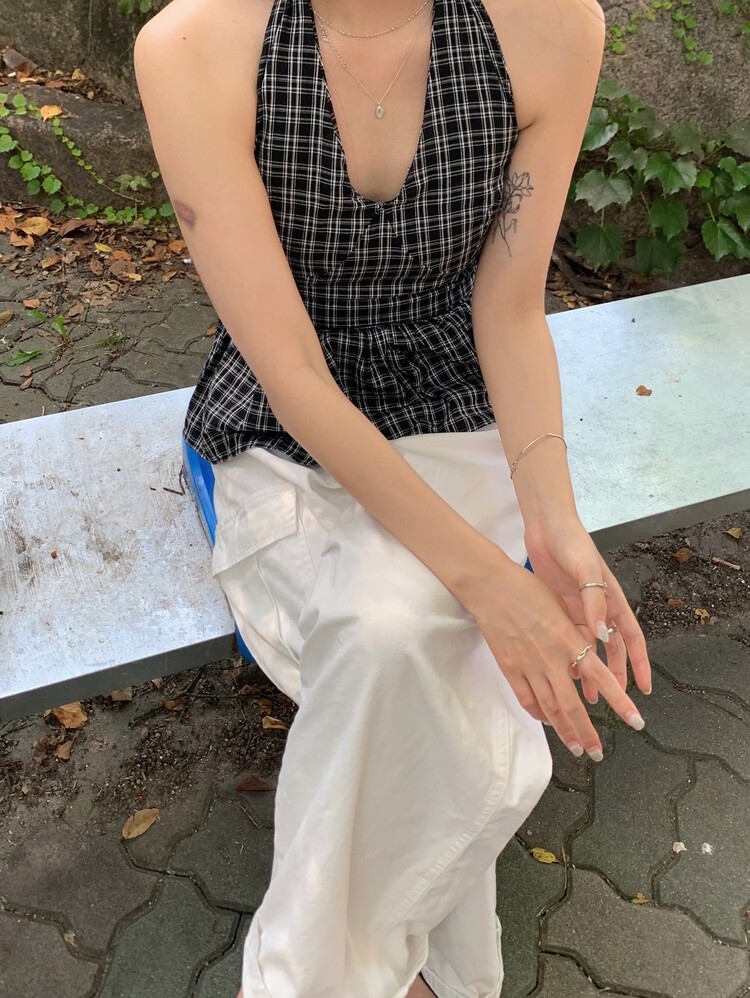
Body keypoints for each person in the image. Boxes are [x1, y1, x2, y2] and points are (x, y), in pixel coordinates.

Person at [134, 0, 652, 994]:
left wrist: (553, 524)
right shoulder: (197, 46)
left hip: (456, 404)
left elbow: (509, 309)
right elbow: (292, 372)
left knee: (405, 653)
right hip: (284, 425)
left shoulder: (550, 29)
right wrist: (486, 580)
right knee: (394, 634)